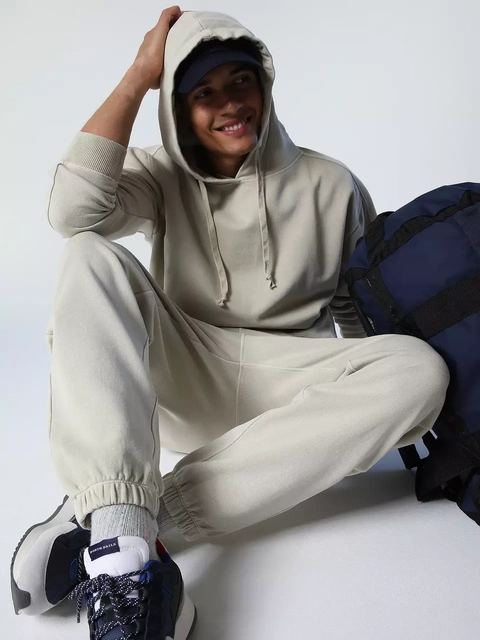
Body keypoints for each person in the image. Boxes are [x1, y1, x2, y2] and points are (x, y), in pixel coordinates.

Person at [10, 7, 450, 639]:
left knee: (417, 368)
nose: (230, 106)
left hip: (289, 390)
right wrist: (137, 77)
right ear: (177, 108)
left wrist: (377, 411)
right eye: (204, 94)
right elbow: (72, 212)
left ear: (264, 84)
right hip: (186, 372)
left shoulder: (332, 183)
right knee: (86, 255)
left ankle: (123, 530)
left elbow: (356, 308)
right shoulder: (158, 174)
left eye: (241, 82)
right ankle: (122, 534)